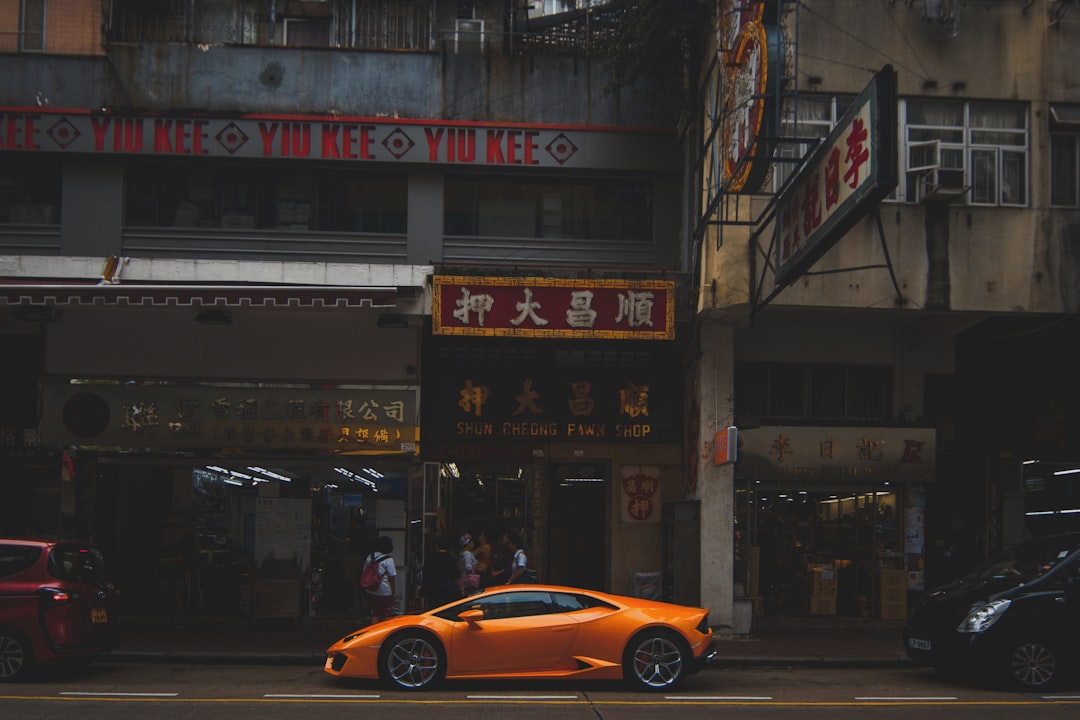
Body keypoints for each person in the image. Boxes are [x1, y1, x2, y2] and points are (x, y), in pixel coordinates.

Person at [419, 535, 461, 609]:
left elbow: (425, 575)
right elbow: (456, 577)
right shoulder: (451, 559)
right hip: (447, 592)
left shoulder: (430, 558)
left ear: (437, 545)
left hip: (432, 590)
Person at [362, 536, 397, 622]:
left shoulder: (370, 557)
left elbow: (364, 572)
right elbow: (391, 578)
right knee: (387, 615)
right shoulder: (388, 560)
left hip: (370, 590)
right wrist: (392, 593)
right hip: (384, 592)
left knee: (375, 614)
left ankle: (374, 633)